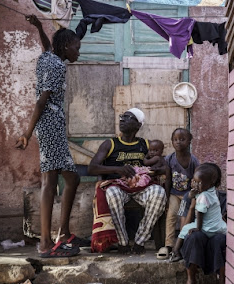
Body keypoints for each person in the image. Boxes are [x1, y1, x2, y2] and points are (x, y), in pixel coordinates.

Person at [15, 15, 87, 258]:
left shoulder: (48, 57)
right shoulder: (57, 66)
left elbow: (46, 46)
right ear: (66, 47)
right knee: (51, 181)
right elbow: (42, 101)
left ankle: (62, 233)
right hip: (50, 124)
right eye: (77, 47)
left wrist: (39, 27)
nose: (79, 52)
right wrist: (26, 133)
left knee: (69, 178)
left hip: (48, 126)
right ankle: (46, 242)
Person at [87, 108, 167, 254]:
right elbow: (92, 168)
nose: (122, 120)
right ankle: (123, 242)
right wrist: (117, 170)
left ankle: (140, 241)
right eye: (122, 117)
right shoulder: (110, 144)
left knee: (159, 193)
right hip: (118, 186)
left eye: (128, 117)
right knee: (112, 193)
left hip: (141, 187)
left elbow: (161, 164)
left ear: (138, 126)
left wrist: (154, 170)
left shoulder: (146, 145)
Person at [164, 128, 199, 256]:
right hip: (173, 193)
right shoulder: (169, 159)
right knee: (171, 215)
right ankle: (169, 244)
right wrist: (166, 198)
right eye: (175, 139)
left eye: (182, 139)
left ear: (189, 141)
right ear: (172, 142)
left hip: (188, 195)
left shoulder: (193, 160)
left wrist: (194, 197)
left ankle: (183, 243)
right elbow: (168, 180)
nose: (178, 142)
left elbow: (197, 180)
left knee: (186, 218)